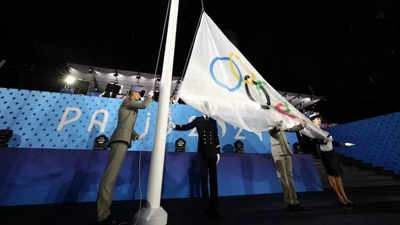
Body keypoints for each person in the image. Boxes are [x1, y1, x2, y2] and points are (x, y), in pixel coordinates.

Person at [96, 87, 153, 225]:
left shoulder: (132, 108)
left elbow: (128, 126)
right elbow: (145, 105)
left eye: (141, 93)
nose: (140, 95)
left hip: (123, 140)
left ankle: (104, 214)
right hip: (119, 140)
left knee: (111, 177)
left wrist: (136, 135)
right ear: (131, 93)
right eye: (138, 93)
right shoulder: (127, 101)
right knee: (109, 178)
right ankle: (103, 216)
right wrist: (149, 97)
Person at [169, 114, 221, 218]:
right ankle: (206, 206)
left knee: (214, 180)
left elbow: (216, 136)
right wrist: (175, 126)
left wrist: (218, 152)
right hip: (202, 154)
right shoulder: (198, 120)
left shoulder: (213, 120)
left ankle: (214, 206)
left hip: (212, 154)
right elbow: (187, 126)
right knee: (204, 180)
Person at [309, 115, 355, 207]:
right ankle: (340, 197)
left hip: (332, 154)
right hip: (325, 155)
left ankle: (344, 196)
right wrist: (325, 139)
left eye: (319, 119)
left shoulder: (323, 131)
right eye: (316, 119)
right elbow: (316, 142)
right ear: (312, 121)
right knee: (331, 177)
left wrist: (345, 144)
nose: (319, 120)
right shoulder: (313, 132)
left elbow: (332, 142)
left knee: (338, 176)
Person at [268, 120, 305, 211]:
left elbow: (291, 129)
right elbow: (272, 132)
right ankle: (289, 202)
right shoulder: (269, 123)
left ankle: (295, 201)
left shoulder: (280, 122)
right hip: (278, 152)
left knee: (289, 177)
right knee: (283, 178)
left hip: (287, 151)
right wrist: (277, 126)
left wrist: (301, 126)